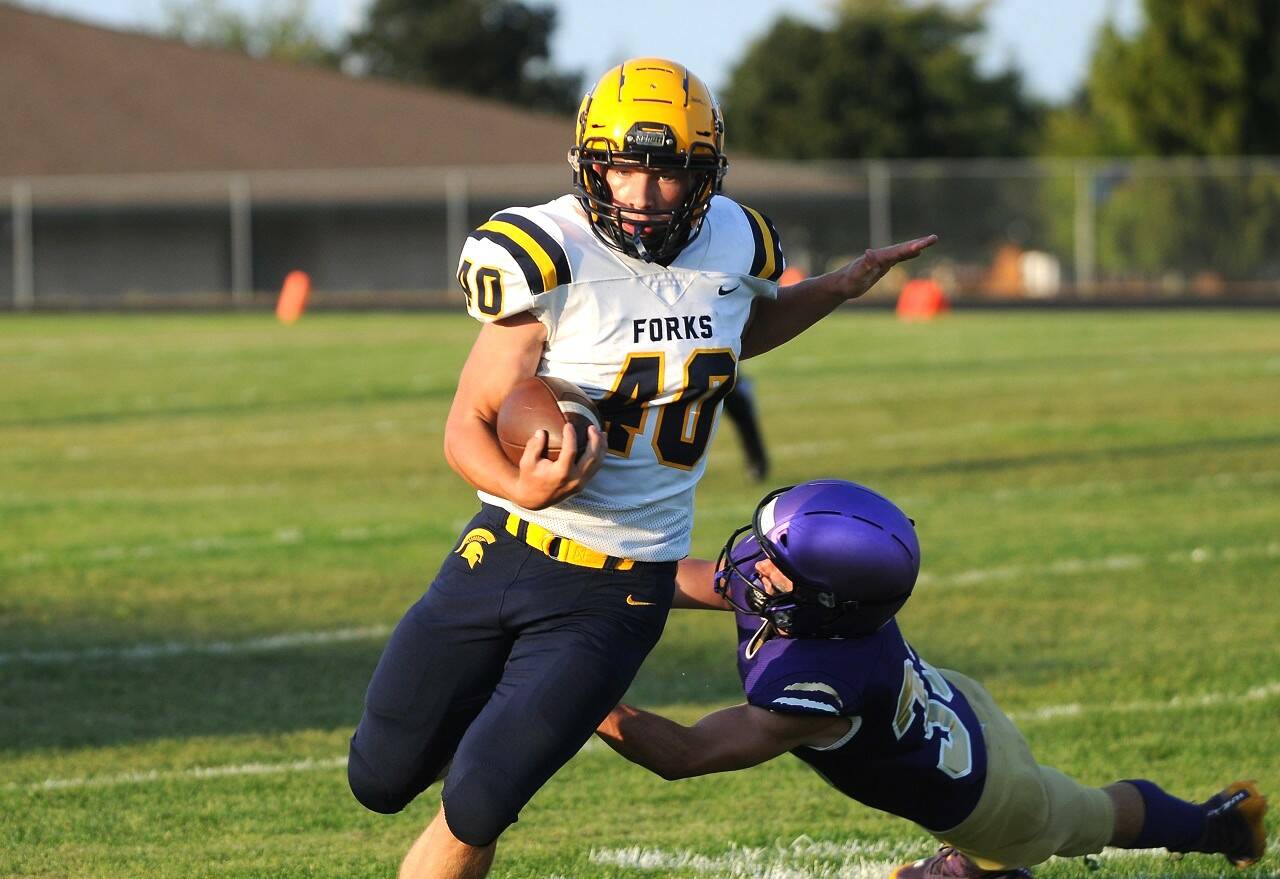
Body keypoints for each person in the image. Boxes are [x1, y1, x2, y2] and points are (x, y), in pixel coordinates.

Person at [347, 56, 936, 879]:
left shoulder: (736, 240)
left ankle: (509, 740)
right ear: (590, 165)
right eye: (623, 167)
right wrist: (522, 484)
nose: (643, 192)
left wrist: (837, 287)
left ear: (705, 175)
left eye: (668, 171)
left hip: (619, 588)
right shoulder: (550, 249)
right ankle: (503, 715)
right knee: (378, 777)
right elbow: (466, 425)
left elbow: (736, 333)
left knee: (479, 800)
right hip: (503, 547)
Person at [596, 479, 1270, 878]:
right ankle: (973, 866)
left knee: (1094, 814)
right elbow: (685, 581)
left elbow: (686, 754)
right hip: (954, 710)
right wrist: (582, 582)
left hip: (990, 798)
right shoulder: (827, 605)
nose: (753, 565)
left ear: (827, 601)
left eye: (775, 565)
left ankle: (1223, 825)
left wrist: (582, 695)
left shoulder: (816, 682)